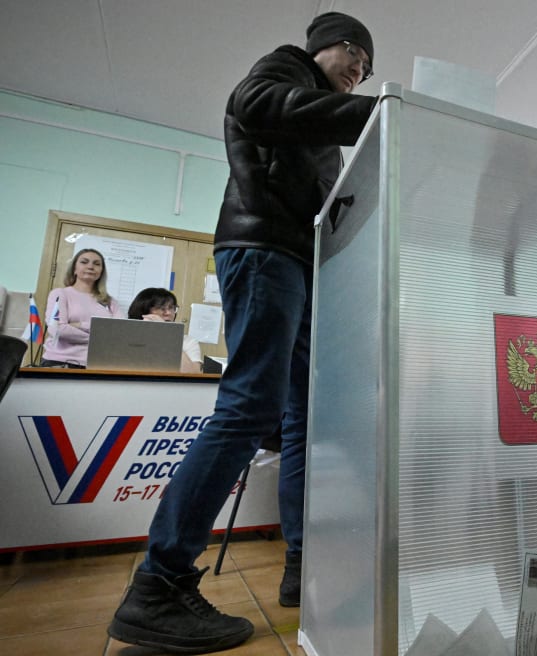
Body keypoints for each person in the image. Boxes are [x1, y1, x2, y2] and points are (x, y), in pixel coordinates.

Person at [109, 12, 378, 653]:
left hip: (299, 265)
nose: (360, 71)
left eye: (369, 69)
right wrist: (383, 112)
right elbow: (255, 105)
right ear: (324, 49)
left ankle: (301, 562)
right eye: (355, 56)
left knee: (301, 420)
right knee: (249, 406)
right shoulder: (285, 67)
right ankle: (159, 584)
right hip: (263, 251)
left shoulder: (321, 125)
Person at [41, 248, 122, 368]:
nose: (90, 266)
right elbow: (57, 330)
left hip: (99, 364)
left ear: (101, 272)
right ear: (74, 269)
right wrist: (100, 338)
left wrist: (78, 324)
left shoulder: (110, 302)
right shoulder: (60, 294)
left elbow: (120, 333)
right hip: (60, 363)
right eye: (84, 262)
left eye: (97, 264)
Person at [127, 287, 203, 373]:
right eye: (162, 308)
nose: (169, 313)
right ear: (144, 311)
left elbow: (192, 374)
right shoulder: (128, 337)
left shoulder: (187, 341)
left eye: (171, 308)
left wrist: (165, 335)